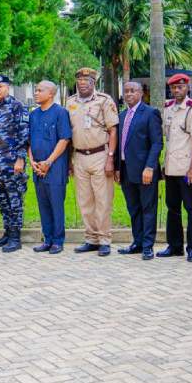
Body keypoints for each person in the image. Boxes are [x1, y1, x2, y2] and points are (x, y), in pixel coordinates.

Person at [66, 67, 119, 256]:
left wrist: (110, 159)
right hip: (79, 156)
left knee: (103, 200)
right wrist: (69, 161)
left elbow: (113, 130)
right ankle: (91, 238)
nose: (82, 85)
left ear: (93, 83)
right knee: (85, 201)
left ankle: (104, 239)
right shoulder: (70, 102)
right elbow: (69, 133)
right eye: (79, 82)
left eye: (86, 82)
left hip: (100, 155)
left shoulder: (104, 101)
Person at [159, 73, 192, 262]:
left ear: (187, 88)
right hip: (170, 167)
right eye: (174, 88)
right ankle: (175, 246)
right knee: (172, 208)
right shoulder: (168, 108)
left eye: (180, 87)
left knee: (191, 209)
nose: (177, 90)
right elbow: (167, 138)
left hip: (187, 167)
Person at [115, 82, 163, 260]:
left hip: (145, 171)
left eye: (133, 91)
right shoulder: (121, 116)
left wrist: (150, 167)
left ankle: (148, 246)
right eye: (126, 91)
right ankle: (137, 242)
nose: (129, 94)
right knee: (133, 208)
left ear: (141, 93)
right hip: (126, 171)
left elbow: (157, 143)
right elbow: (120, 144)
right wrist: (117, 168)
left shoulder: (150, 113)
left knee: (148, 208)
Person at [0, 74, 29, 253]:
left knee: (14, 200)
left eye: (0, 86)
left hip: (13, 163)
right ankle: (7, 232)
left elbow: (24, 133)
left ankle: (15, 237)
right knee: (3, 200)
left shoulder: (17, 106)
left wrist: (20, 158)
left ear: (7, 87)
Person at [29, 81, 72, 254]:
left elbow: (64, 139)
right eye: (36, 89)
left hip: (55, 167)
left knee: (56, 204)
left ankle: (57, 241)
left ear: (51, 94)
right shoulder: (33, 115)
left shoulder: (61, 113)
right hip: (37, 167)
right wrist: (32, 161)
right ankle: (47, 239)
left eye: (40, 90)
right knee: (43, 205)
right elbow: (29, 140)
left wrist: (48, 162)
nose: (36, 93)